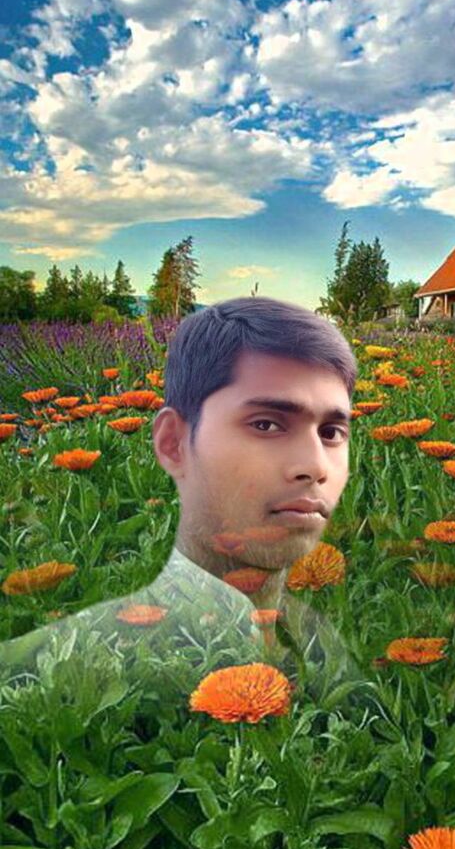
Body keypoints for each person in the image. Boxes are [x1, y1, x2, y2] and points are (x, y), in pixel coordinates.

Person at [0, 297, 395, 726]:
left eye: (331, 431)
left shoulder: (347, 657)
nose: (315, 466)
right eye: (266, 425)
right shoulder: (61, 676)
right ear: (173, 444)